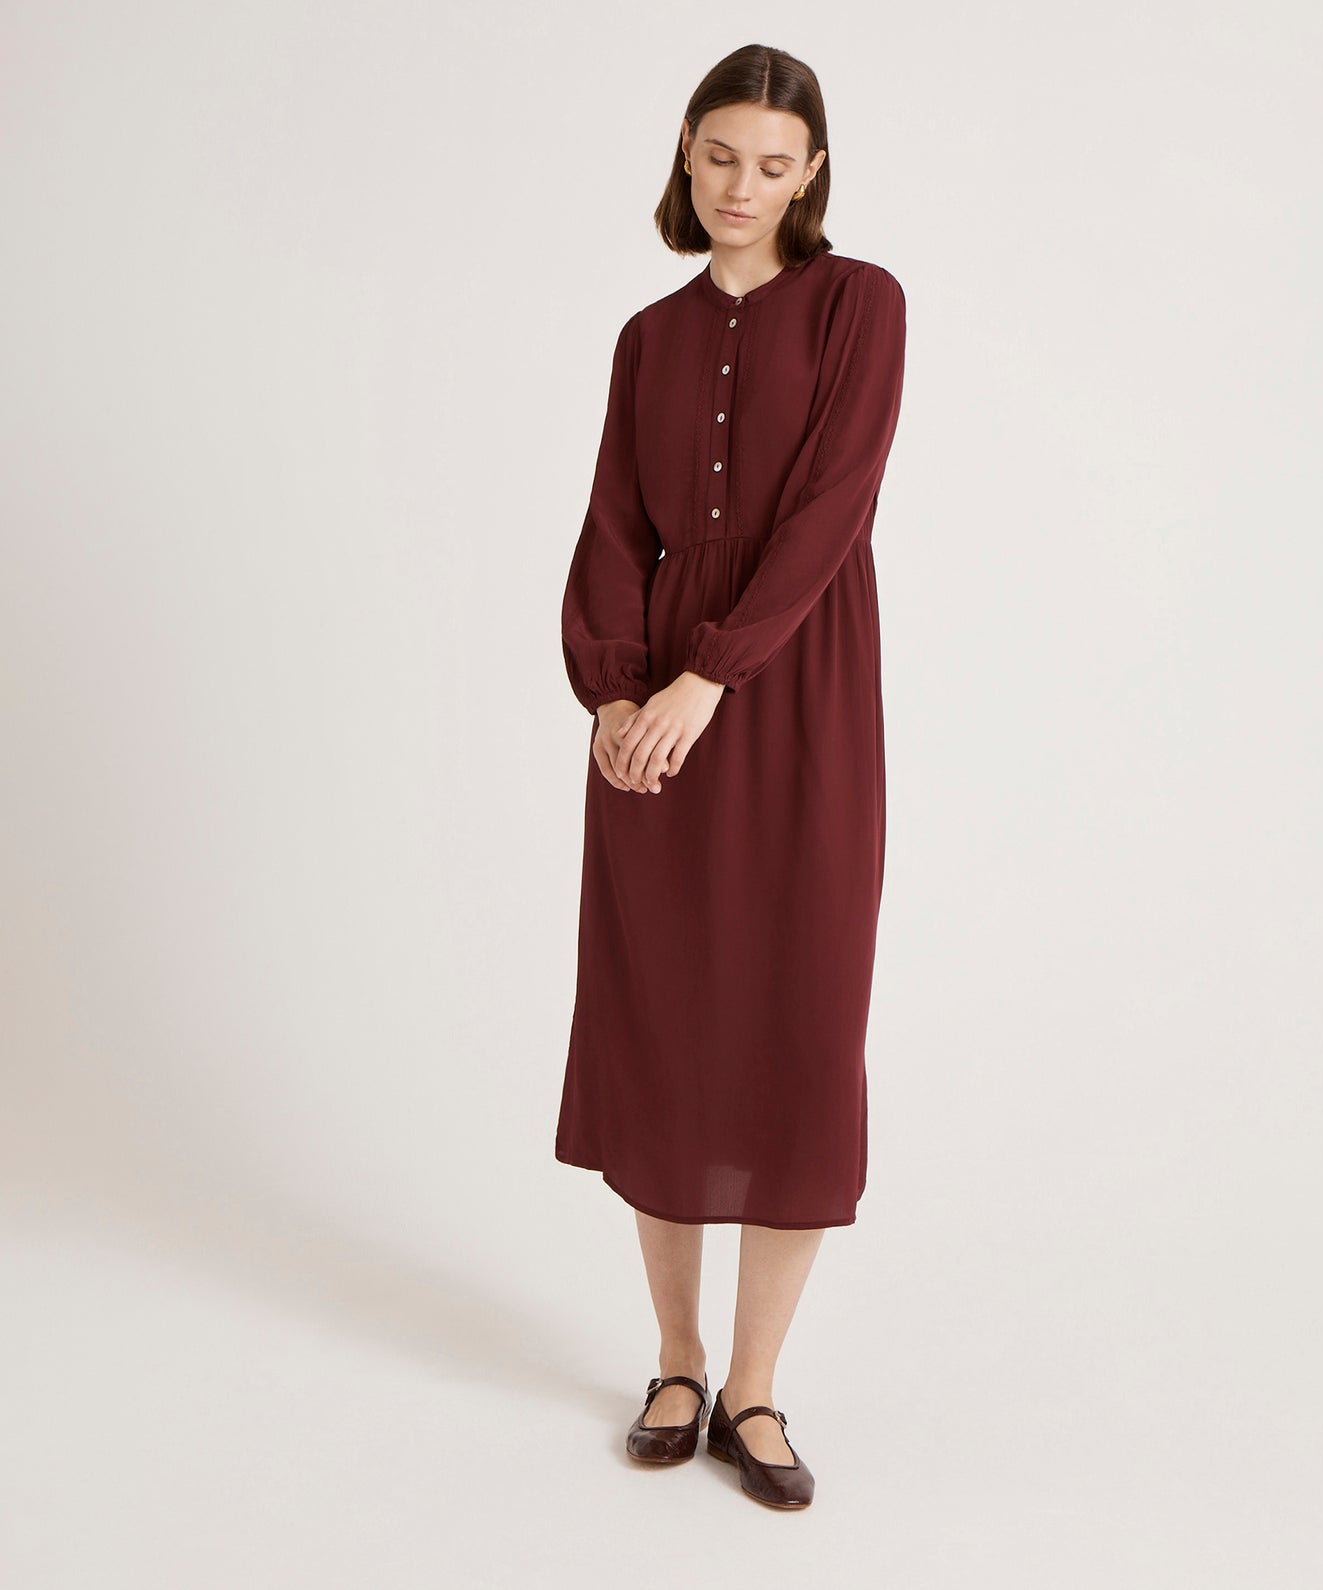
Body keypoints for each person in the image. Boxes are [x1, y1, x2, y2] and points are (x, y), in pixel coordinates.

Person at [556, 43, 907, 1510]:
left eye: (771, 164)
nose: (741, 187)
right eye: (719, 158)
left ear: (811, 171)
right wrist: (613, 691)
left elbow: (831, 509)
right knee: (666, 1023)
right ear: (685, 154)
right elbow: (611, 525)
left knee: (794, 1027)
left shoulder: (860, 304)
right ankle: (678, 1360)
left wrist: (710, 675)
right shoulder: (647, 336)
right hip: (653, 719)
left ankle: (755, 1385)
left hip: (795, 693)